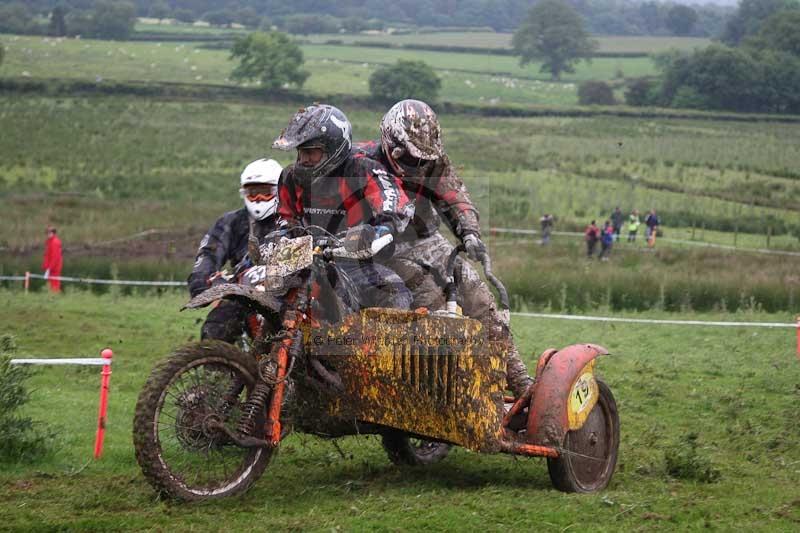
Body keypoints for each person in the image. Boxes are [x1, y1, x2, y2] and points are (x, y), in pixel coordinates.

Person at [355, 99, 532, 396]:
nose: (418, 166)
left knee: (478, 296)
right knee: (432, 305)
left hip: (426, 240)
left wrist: (470, 232)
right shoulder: (359, 160)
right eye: (412, 160)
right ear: (390, 144)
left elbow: (455, 197)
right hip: (375, 250)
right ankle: (448, 390)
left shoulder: (435, 161)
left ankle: (520, 382)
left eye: (424, 160)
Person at [273, 103, 412, 311]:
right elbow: (285, 218)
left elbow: (392, 200)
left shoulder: (362, 169)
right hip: (301, 261)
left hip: (354, 263)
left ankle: (378, 344)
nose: (304, 159)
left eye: (312, 152)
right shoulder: (291, 177)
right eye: (301, 151)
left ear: (333, 149)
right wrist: (281, 235)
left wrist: (383, 228)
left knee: (394, 290)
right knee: (257, 293)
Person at [187, 158, 283, 343]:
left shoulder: (295, 220)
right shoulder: (231, 222)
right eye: (253, 193)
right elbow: (209, 251)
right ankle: (214, 369)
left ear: (279, 190)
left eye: (265, 192)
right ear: (244, 192)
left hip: (288, 294)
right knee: (215, 328)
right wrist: (201, 277)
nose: (259, 199)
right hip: (244, 295)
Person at [42, 226, 63, 293]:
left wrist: (49, 268)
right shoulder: (49, 242)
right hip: (50, 267)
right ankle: (51, 297)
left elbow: (55, 257)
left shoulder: (55, 242)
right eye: (47, 233)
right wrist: (45, 266)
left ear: (53, 233)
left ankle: (55, 298)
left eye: (49, 233)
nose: (48, 234)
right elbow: (47, 255)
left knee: (54, 284)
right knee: (50, 284)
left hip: (54, 268)